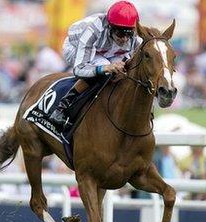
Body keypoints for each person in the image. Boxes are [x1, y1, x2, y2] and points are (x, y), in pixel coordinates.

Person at [49, 0, 140, 128]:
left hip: (106, 50)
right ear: (110, 26)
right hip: (75, 47)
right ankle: (62, 107)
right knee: (107, 71)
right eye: (120, 33)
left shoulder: (134, 35)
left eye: (128, 34)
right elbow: (79, 69)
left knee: (124, 72)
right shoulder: (92, 30)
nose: (125, 39)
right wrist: (105, 68)